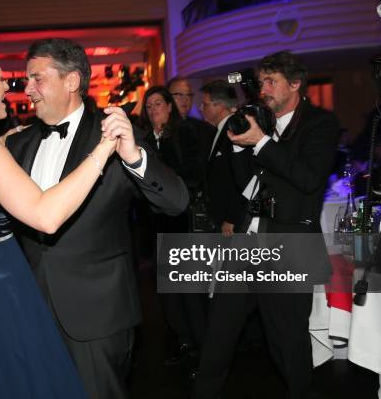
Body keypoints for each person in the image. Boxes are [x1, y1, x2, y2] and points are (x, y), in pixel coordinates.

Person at [0, 39, 189, 399]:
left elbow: (176, 202)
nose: (23, 88)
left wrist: (133, 156)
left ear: (72, 81)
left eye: (36, 79)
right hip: (21, 305)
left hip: (94, 314)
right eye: (14, 79)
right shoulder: (11, 144)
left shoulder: (117, 134)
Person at [191, 51, 340, 399]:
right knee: (219, 333)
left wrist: (259, 142)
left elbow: (306, 178)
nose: (264, 90)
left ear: (295, 84)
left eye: (271, 82)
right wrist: (243, 148)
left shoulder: (320, 123)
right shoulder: (262, 121)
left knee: (288, 342)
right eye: (261, 83)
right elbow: (247, 187)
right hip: (247, 244)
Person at [138, 85, 208, 365]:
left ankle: (203, 350)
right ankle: (184, 341)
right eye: (149, 105)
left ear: (170, 106)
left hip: (181, 219)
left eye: (158, 103)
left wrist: (163, 181)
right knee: (168, 291)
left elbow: (194, 173)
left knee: (189, 290)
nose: (153, 109)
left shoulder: (183, 132)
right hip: (155, 222)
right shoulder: (143, 139)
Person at [198, 80, 246, 235]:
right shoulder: (216, 130)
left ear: (219, 106)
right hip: (218, 216)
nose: (200, 108)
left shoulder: (236, 129)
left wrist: (232, 218)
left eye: (205, 104)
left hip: (230, 221)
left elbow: (241, 177)